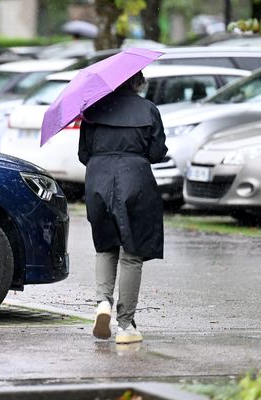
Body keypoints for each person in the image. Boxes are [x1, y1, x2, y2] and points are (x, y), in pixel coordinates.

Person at [77, 71, 167, 344]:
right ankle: (125, 325)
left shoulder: (92, 111)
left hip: (98, 179)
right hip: (135, 179)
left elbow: (84, 154)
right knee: (132, 252)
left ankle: (102, 302)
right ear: (137, 82)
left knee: (105, 246)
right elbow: (157, 152)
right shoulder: (148, 110)